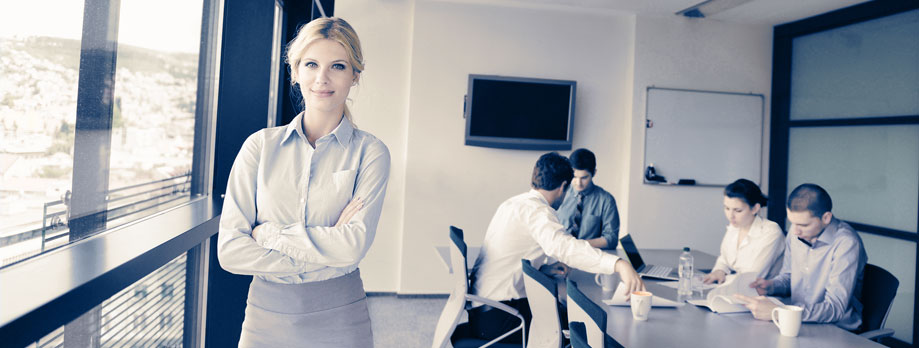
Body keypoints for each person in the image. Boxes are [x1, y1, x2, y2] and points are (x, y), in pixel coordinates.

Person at [216, 17, 390, 347]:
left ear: (354, 75)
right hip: (265, 315)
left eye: (337, 66)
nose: (322, 79)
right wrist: (328, 247)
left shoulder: (371, 153)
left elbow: (352, 247)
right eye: (311, 64)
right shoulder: (260, 147)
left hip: (340, 314)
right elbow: (230, 251)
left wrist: (267, 234)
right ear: (296, 72)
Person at [466, 152, 644, 344]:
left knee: (568, 314)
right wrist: (619, 264)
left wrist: (542, 268)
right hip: (500, 318)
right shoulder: (537, 212)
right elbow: (566, 248)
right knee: (584, 327)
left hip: (484, 308)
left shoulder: (513, 204)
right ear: (563, 187)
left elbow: (514, 257)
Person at [736, 184, 866, 331]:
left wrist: (779, 312)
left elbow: (835, 308)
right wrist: (771, 286)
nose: (796, 231)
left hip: (835, 329)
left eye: (803, 225)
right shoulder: (796, 231)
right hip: (798, 322)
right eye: (793, 222)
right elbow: (789, 277)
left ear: (826, 218)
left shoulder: (846, 243)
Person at [702, 179, 784, 284]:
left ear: (755, 208)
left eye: (738, 210)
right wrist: (719, 271)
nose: (730, 216)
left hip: (762, 295)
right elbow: (724, 259)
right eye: (727, 208)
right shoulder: (734, 227)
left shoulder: (771, 232)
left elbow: (751, 277)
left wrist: (724, 278)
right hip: (735, 288)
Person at [556, 148, 619, 249]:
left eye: (584, 178)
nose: (578, 183)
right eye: (574, 177)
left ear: (594, 173)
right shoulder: (559, 193)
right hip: (558, 256)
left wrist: (577, 245)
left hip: (589, 258)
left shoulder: (606, 200)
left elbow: (611, 239)